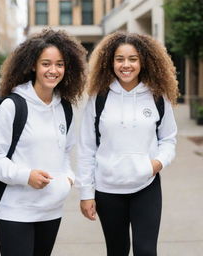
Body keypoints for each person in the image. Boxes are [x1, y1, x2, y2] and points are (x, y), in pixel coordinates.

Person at [0, 28, 86, 256]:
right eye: (46, 64)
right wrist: (26, 176)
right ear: (33, 66)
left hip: (51, 211)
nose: (53, 70)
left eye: (59, 64)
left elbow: (67, 152)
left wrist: (67, 177)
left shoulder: (65, 108)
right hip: (16, 211)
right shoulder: (12, 106)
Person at [76, 31, 179, 256]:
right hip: (108, 189)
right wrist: (86, 192)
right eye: (119, 59)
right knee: (117, 250)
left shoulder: (157, 96)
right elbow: (86, 147)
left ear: (143, 61)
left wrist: (157, 164)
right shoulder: (99, 98)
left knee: (146, 251)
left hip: (146, 186)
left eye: (133, 59)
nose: (126, 65)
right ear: (110, 62)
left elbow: (169, 138)